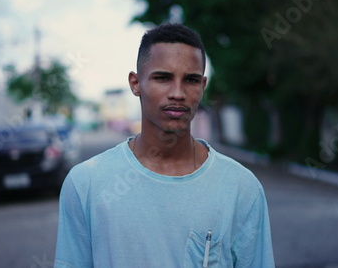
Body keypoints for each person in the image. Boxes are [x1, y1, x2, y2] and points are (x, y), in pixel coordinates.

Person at [54, 23, 275, 267]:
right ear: (136, 84)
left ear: (202, 87)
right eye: (163, 78)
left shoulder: (241, 187)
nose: (178, 93)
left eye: (190, 80)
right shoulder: (86, 183)